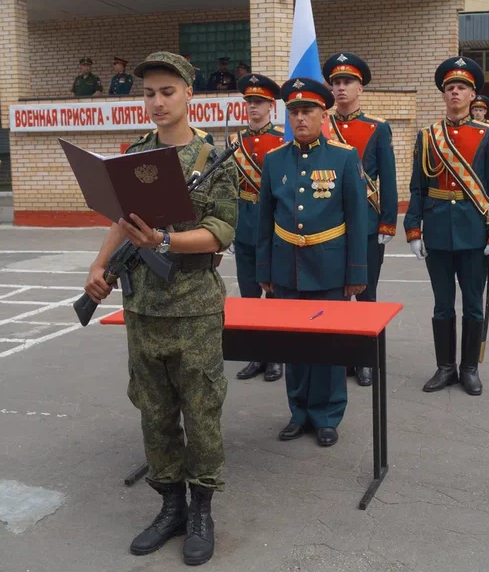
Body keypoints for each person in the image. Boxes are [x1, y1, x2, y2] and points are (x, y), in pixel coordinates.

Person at [83, 51, 237, 566]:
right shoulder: (134, 155)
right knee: (154, 412)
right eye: (148, 93)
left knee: (202, 411)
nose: (156, 101)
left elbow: (221, 230)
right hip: (144, 307)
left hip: (193, 307)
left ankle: (201, 512)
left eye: (167, 91)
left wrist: (167, 241)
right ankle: (169, 506)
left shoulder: (212, 160)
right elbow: (119, 221)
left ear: (190, 93)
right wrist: (99, 267)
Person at [256, 77, 368, 448]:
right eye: (294, 112)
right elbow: (264, 221)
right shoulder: (274, 160)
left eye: (308, 111)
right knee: (294, 348)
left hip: (330, 269)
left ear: (324, 114)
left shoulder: (343, 156)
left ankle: (327, 415)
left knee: (327, 349)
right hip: (286, 267)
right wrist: (265, 271)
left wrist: (356, 273)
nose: (300, 118)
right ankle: (298, 412)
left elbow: (357, 219)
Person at [403, 56, 489, 396]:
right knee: (442, 304)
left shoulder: (488, 134)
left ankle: (469, 368)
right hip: (437, 231)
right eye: (450, 88)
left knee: (474, 305)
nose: (455, 93)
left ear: (472, 94)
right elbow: (417, 187)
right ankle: (445, 367)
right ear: (443, 94)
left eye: (461, 87)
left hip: (475, 232)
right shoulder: (428, 136)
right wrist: (413, 229)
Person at [322, 52, 398, 387]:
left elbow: (390, 179)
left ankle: (365, 359)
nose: (340, 88)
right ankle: (342, 356)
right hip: (330, 224)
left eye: (347, 82)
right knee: (337, 295)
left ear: (360, 87)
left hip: (366, 223)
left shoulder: (378, 128)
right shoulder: (322, 125)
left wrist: (387, 223)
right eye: (336, 82)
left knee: (366, 294)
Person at [231, 73, 285, 382]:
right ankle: (256, 356)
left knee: (274, 295)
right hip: (243, 225)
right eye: (250, 102)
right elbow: (228, 187)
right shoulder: (234, 141)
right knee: (249, 295)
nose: (253, 107)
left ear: (270, 106)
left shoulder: (280, 141)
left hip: (273, 227)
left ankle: (276, 357)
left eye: (259, 102)